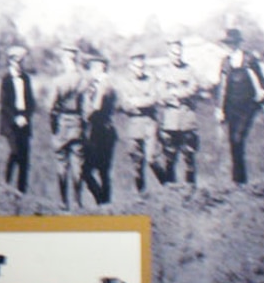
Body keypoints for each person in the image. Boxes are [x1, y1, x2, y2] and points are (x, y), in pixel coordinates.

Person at [215, 25, 264, 185]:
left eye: (232, 43)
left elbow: (261, 80)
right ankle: (238, 181)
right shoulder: (225, 62)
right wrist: (219, 109)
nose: (229, 46)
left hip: (248, 106)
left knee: (238, 138)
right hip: (232, 107)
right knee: (233, 141)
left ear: (238, 43)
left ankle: (240, 179)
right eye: (227, 43)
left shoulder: (249, 59)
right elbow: (222, 87)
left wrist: (262, 92)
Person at [155, 38, 203, 186]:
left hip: (187, 118)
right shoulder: (162, 72)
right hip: (170, 120)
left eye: (179, 52)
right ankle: (171, 191)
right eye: (174, 53)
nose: (177, 56)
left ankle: (191, 188)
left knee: (189, 155)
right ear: (168, 54)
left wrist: (176, 93)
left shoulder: (190, 70)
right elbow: (161, 93)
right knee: (170, 156)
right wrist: (174, 94)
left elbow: (193, 88)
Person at [49, 42, 87, 209]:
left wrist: (54, 127)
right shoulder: (83, 80)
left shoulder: (58, 81)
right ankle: (78, 201)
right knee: (78, 163)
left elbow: (50, 107)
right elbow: (87, 108)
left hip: (62, 123)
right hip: (78, 123)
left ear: (65, 60)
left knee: (61, 162)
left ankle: (64, 201)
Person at [119, 49, 159, 195]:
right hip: (134, 125)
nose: (139, 69)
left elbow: (154, 99)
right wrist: (140, 102)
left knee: (151, 159)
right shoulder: (124, 82)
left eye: (142, 65)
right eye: (136, 66)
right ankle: (141, 195)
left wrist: (136, 102)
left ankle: (168, 186)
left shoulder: (151, 79)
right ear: (130, 66)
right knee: (136, 163)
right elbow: (124, 105)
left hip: (149, 124)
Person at [0, 43, 36, 193]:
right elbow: (5, 104)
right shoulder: (6, 80)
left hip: (24, 121)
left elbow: (31, 102)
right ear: (11, 61)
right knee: (15, 152)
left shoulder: (26, 78)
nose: (20, 64)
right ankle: (6, 183)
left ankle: (22, 191)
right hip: (11, 122)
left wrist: (25, 116)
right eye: (17, 61)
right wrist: (16, 118)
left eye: (22, 61)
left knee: (25, 157)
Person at [82, 49, 117, 205]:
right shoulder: (100, 84)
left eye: (92, 67)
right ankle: (104, 201)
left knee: (89, 170)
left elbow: (95, 107)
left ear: (100, 67)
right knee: (102, 170)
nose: (90, 71)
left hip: (100, 131)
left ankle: (103, 201)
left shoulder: (104, 84)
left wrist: (83, 114)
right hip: (101, 130)